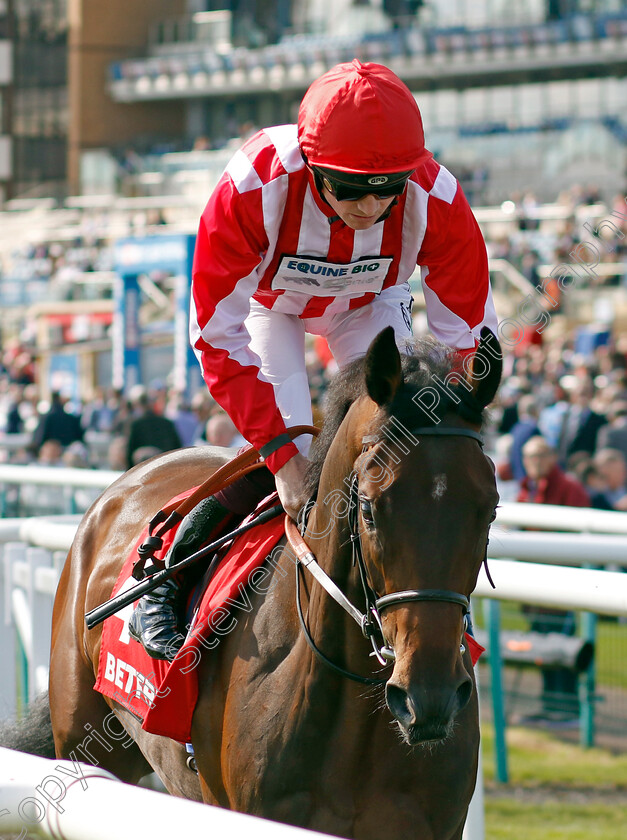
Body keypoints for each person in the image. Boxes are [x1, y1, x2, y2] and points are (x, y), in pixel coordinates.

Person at [129, 59, 498, 660]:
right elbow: (215, 333)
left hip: (371, 302)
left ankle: (417, 610)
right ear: (310, 164)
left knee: (402, 438)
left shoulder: (438, 197)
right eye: (350, 187)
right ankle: (165, 577)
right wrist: (277, 453)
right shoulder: (255, 182)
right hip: (269, 307)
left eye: (387, 188)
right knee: (294, 455)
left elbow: (466, 338)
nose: (370, 206)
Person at [517, 435, 590, 724]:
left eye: (539, 456)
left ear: (552, 457)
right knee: (541, 648)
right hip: (534, 588)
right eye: (529, 457)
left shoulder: (570, 489)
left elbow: (576, 541)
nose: (533, 463)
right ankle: (551, 705)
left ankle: (568, 709)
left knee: (563, 648)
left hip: (562, 586)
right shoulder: (527, 490)